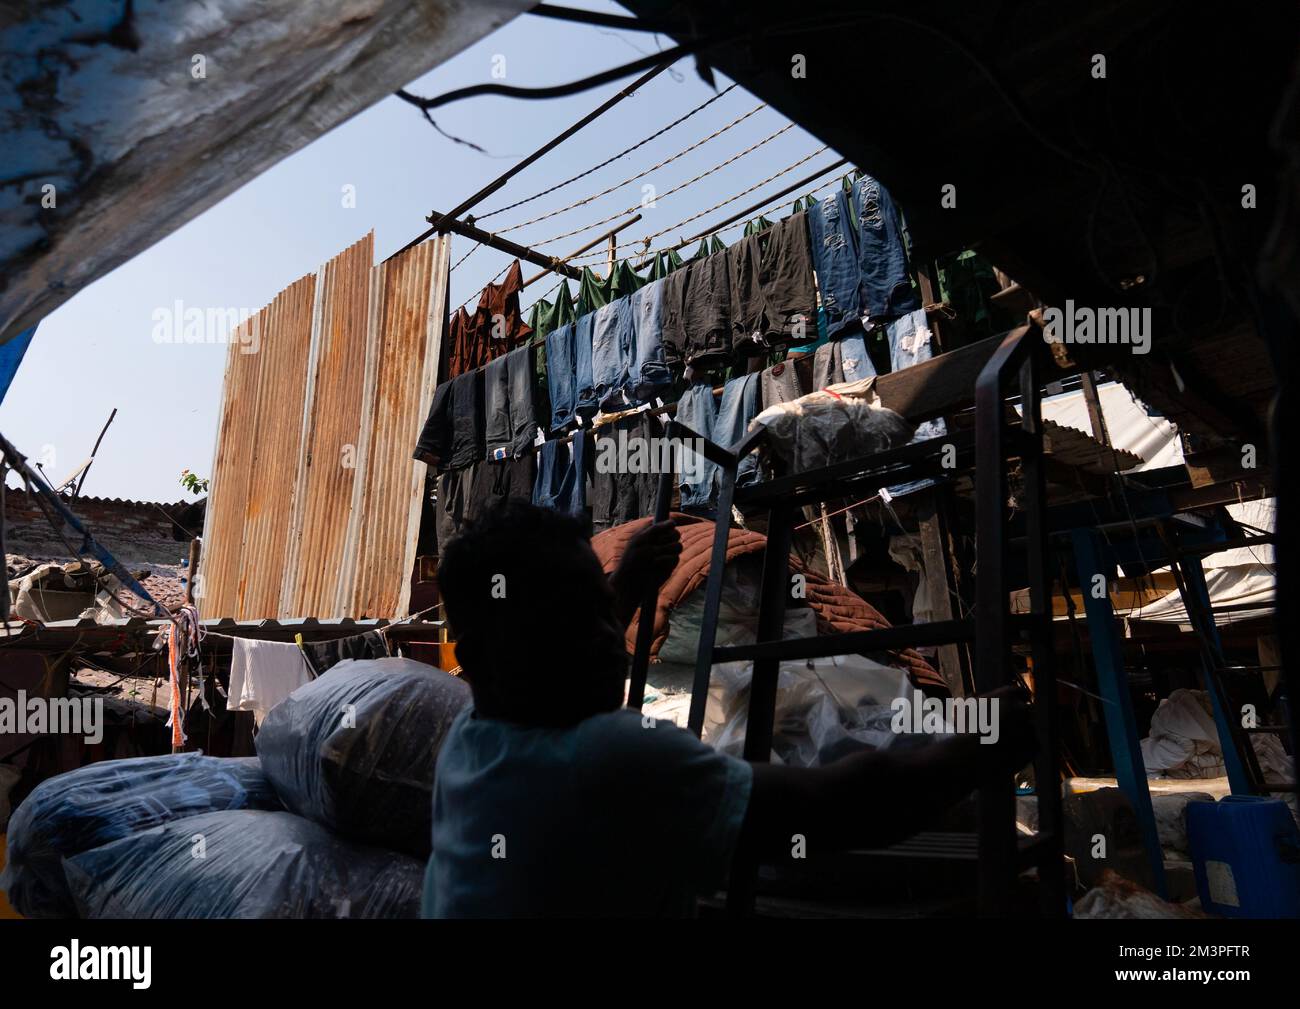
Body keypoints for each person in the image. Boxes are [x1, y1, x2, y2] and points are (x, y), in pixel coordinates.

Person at [423, 500, 1033, 917]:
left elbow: (565, 647)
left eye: (597, 609)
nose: (608, 638)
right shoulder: (607, 758)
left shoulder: (473, 738)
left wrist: (629, 587)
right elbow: (840, 806)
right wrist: (983, 746)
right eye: (569, 625)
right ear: (480, 661)